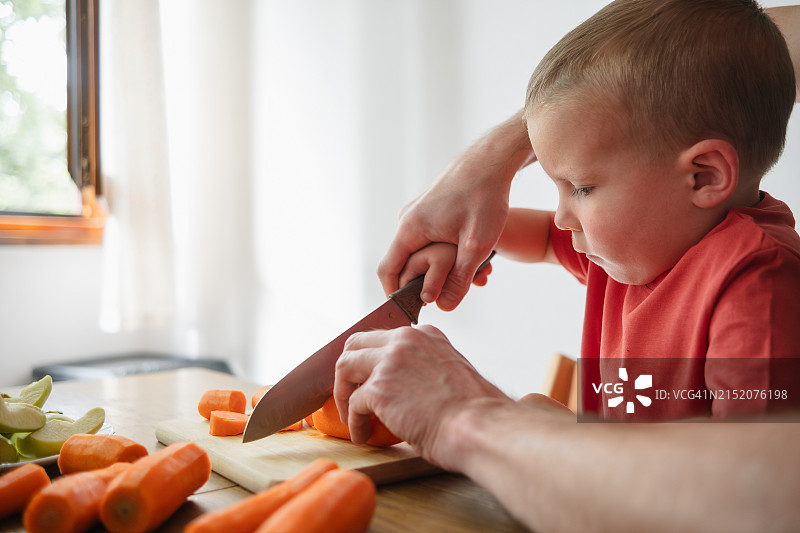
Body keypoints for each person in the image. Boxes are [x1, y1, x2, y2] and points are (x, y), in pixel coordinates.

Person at [331, 1, 800, 531]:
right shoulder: (643, 241)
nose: (562, 214)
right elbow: (545, 240)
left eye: (581, 187)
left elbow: (746, 495)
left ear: (703, 176)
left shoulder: (754, 283)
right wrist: (467, 236)